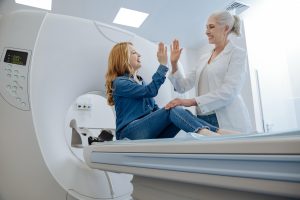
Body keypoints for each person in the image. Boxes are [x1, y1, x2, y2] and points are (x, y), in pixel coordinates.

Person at [105, 42, 235, 140]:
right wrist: (163, 65)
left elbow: (153, 109)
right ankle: (205, 133)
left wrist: (167, 110)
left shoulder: (140, 80)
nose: (139, 55)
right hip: (129, 133)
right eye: (133, 52)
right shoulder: (120, 82)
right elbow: (150, 91)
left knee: (178, 112)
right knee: (172, 110)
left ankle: (217, 132)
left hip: (145, 130)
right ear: (123, 58)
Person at [166, 11, 252, 133]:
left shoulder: (237, 53)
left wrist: (191, 102)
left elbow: (229, 91)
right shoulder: (203, 58)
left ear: (226, 28)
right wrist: (174, 64)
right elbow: (182, 87)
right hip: (203, 118)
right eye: (206, 27)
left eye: (211, 27)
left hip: (226, 118)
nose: (206, 32)